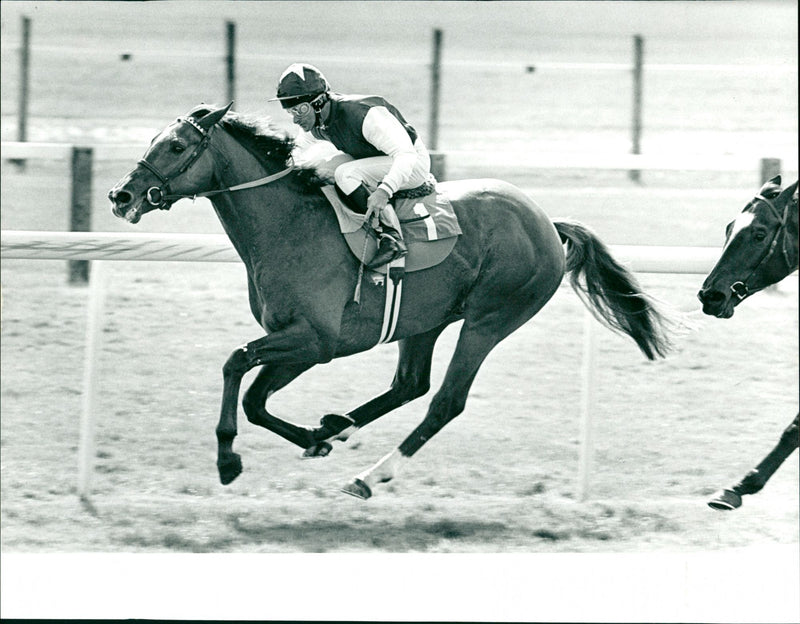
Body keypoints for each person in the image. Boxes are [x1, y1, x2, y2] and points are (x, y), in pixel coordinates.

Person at [273, 63, 432, 268]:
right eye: (290, 112)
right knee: (320, 169)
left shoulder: (364, 115)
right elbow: (297, 156)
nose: (295, 119)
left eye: (298, 110)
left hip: (412, 163)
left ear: (319, 102)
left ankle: (391, 237)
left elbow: (406, 154)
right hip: (380, 160)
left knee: (346, 174)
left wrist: (384, 190)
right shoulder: (317, 121)